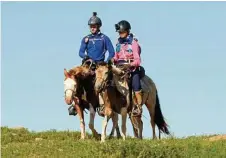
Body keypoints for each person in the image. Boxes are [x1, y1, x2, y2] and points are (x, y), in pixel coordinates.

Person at [76, 12, 115, 116]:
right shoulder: (86, 38)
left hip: (100, 65)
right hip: (88, 64)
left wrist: (107, 62)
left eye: (94, 26)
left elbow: (112, 52)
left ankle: (103, 105)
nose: (92, 28)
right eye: (91, 26)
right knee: (78, 77)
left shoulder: (104, 38)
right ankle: (76, 102)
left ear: (98, 27)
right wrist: (85, 57)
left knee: (104, 82)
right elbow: (80, 52)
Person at [113, 20, 143, 116]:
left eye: (122, 32)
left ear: (127, 31)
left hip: (131, 68)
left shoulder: (134, 43)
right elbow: (116, 56)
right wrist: (111, 60)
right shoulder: (118, 42)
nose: (120, 34)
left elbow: (138, 60)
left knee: (135, 84)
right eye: (119, 32)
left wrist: (129, 65)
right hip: (119, 67)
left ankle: (138, 107)